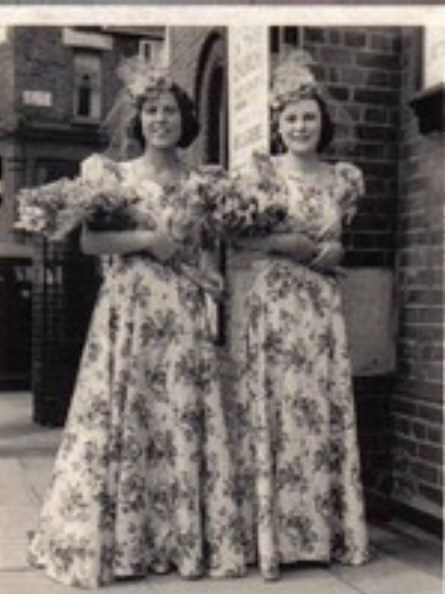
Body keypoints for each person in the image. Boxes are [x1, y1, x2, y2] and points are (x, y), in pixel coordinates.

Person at [28, 57, 245, 588]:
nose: (160, 119)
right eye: (151, 110)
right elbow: (89, 240)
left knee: (176, 418)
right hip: (129, 315)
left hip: (183, 314)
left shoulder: (203, 183)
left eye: (170, 110)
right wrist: (148, 240)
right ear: (139, 119)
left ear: (185, 119)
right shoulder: (113, 177)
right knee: (126, 416)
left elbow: (208, 249)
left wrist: (210, 277)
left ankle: (177, 538)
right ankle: (121, 539)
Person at [227, 50, 370, 580]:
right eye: (291, 118)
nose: (301, 126)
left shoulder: (342, 180)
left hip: (320, 308)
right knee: (276, 409)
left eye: (309, 117)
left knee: (318, 408)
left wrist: (337, 252)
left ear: (322, 122)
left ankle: (321, 534)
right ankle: (271, 541)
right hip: (277, 302)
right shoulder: (262, 175)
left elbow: (337, 239)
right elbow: (240, 239)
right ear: (278, 125)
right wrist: (284, 242)